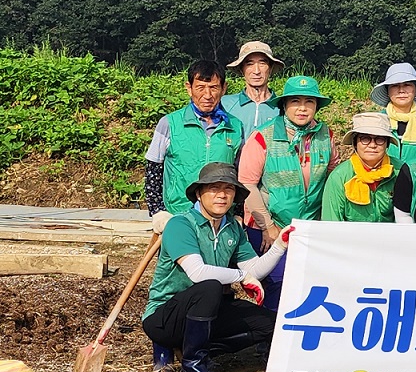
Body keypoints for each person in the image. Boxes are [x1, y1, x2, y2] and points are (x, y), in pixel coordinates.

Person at [142, 163, 285, 372]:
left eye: (228, 189)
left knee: (270, 324)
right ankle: (193, 368)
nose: (222, 195)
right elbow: (197, 273)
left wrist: (279, 245)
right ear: (199, 193)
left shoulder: (233, 228)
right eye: (214, 188)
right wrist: (241, 276)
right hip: (165, 316)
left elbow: (254, 270)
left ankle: (192, 348)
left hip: (208, 311)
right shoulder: (180, 224)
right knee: (209, 287)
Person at [236, 75, 335, 308]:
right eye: (295, 102)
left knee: (306, 286)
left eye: (309, 102)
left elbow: (331, 173)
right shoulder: (263, 136)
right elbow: (248, 184)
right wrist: (268, 226)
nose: (302, 108)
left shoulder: (325, 135)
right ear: (284, 105)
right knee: (277, 287)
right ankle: (269, 340)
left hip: (308, 227)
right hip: (269, 227)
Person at [145, 60, 244, 220]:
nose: (207, 95)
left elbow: (240, 174)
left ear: (224, 88)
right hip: (177, 214)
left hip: (220, 217)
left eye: (214, 88)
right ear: (189, 88)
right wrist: (158, 212)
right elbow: (153, 170)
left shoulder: (235, 127)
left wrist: (238, 213)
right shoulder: (170, 123)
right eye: (200, 88)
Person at [322, 112, 400, 223]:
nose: (372, 145)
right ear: (355, 143)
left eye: (380, 139)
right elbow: (331, 222)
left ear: (387, 144)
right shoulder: (339, 177)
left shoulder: (400, 171)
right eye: (365, 139)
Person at [371, 62, 416, 171]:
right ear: (387, 91)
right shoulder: (375, 123)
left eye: (407, 85)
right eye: (395, 85)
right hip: (383, 184)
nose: (401, 90)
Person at [222, 41, 284, 136]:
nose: (256, 71)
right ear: (241, 69)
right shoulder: (225, 104)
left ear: (270, 68)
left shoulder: (283, 107)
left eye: (262, 63)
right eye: (249, 64)